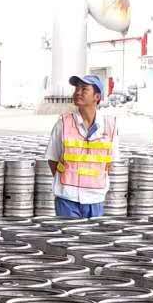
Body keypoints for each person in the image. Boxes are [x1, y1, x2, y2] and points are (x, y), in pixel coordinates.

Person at [46, 73, 118, 220]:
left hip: (95, 198)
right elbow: (52, 159)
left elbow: (110, 162)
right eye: (76, 89)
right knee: (68, 234)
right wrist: (67, 181)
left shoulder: (110, 126)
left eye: (84, 89)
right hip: (67, 198)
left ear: (97, 97)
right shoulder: (63, 123)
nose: (78, 92)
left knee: (92, 235)